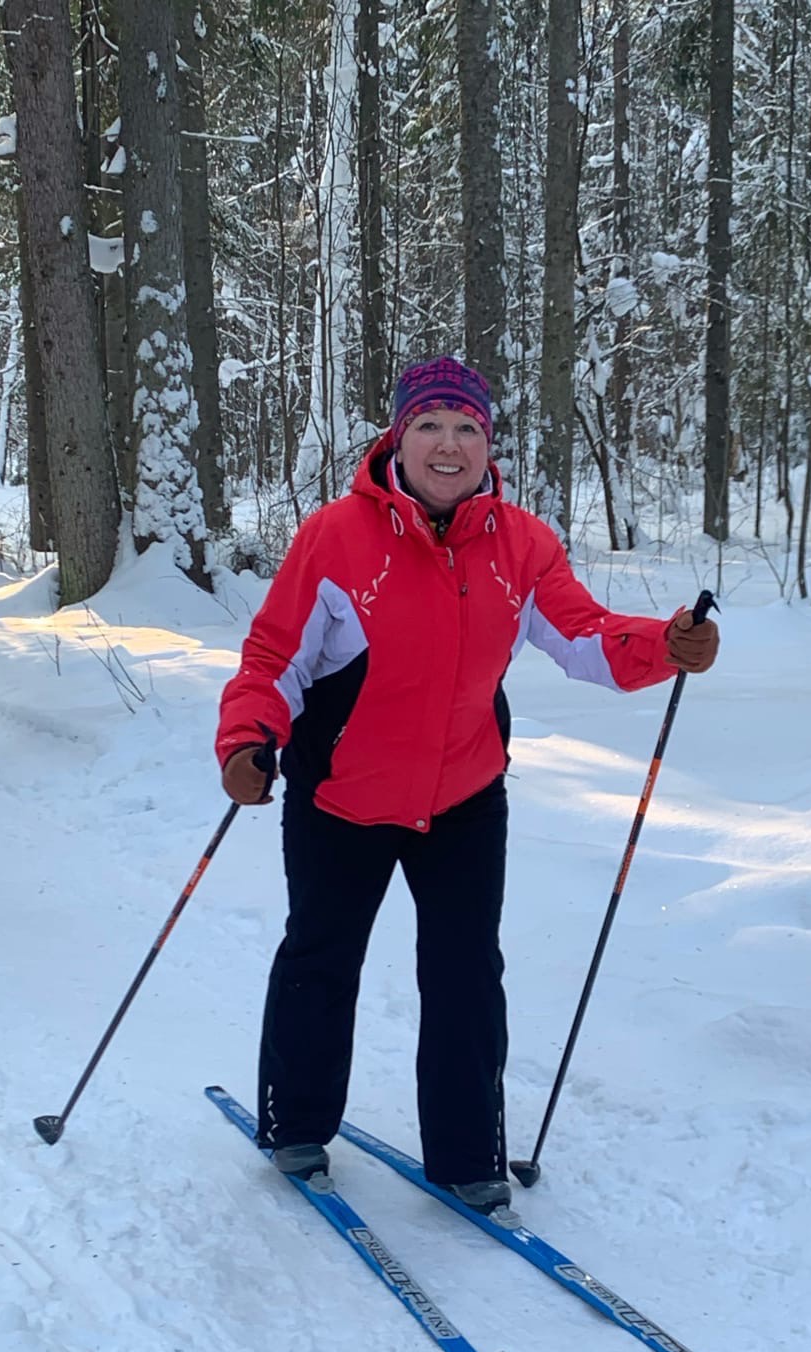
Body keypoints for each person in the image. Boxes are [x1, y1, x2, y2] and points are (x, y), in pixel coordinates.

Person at [216, 356, 719, 1211]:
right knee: (321, 958)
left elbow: (585, 635)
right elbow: (276, 659)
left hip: (463, 798)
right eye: (430, 427)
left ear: (488, 444)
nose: (448, 446)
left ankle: (467, 1155)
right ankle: (296, 1123)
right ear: (399, 438)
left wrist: (663, 643)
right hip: (343, 795)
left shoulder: (521, 545)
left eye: (467, 430)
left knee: (465, 974)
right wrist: (248, 738)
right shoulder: (336, 537)